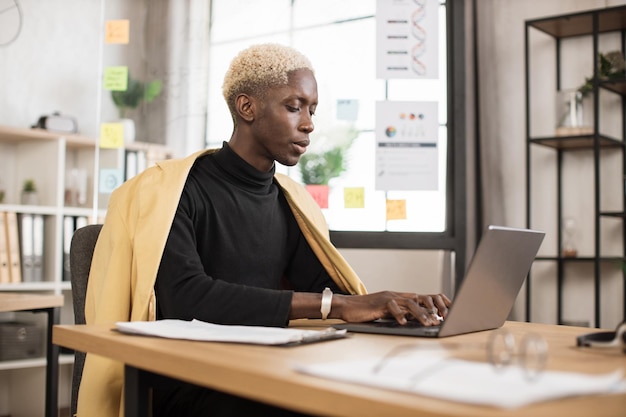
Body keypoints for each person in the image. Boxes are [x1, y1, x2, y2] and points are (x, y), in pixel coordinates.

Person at [77, 43, 451, 417]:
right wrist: (339, 305)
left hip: (262, 365)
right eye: (294, 107)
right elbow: (186, 298)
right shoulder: (170, 190)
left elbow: (329, 289)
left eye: (312, 110)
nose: (308, 123)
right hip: (185, 379)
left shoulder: (292, 202)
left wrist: (397, 306)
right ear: (247, 107)